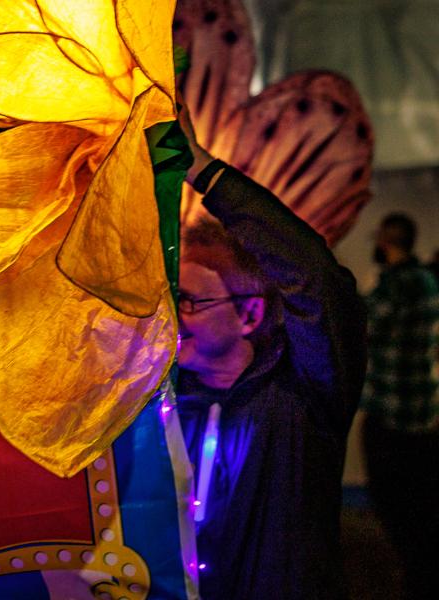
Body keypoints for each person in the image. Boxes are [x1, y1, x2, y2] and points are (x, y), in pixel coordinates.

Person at [175, 110, 366, 599]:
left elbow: (318, 281)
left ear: (250, 315)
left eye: (192, 302)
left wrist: (205, 172)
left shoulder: (301, 401)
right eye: (172, 301)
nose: (174, 318)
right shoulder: (164, 405)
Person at [361, 212, 439, 598]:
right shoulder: (424, 279)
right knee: (419, 508)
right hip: (421, 415)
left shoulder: (399, 284)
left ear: (388, 240)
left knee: (399, 510)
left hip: (394, 418)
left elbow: (362, 326)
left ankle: (417, 581)